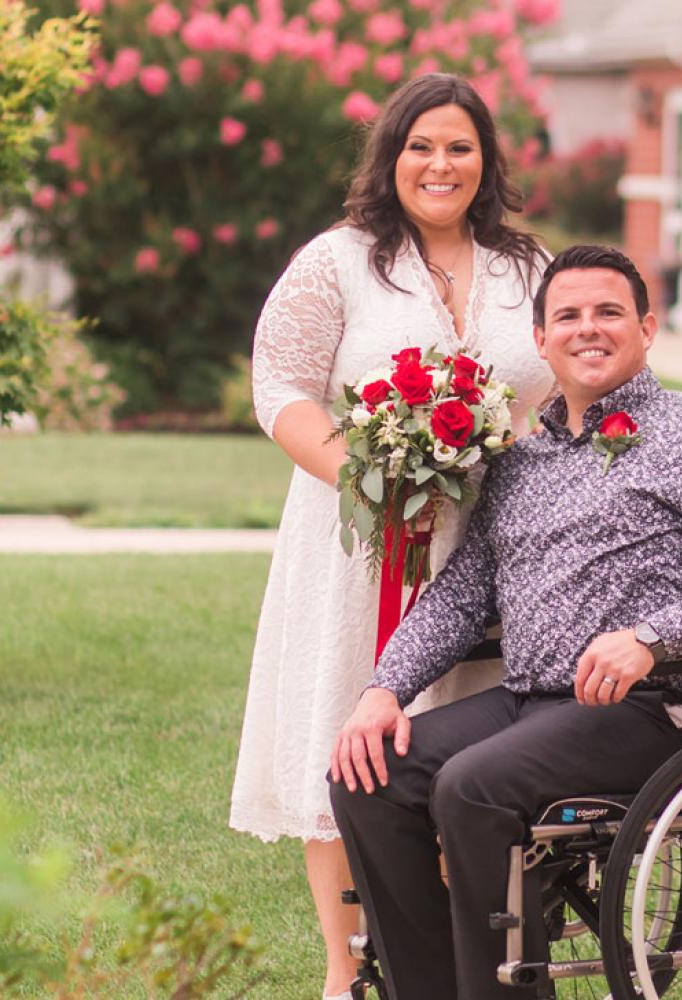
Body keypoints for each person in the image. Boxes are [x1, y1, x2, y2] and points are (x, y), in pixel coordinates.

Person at [329, 244, 682, 1000]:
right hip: (532, 702)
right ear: (541, 339)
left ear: (647, 329)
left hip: (659, 708)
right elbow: (462, 596)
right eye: (569, 316)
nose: (589, 329)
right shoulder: (521, 462)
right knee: (369, 774)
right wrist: (385, 687)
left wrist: (652, 639)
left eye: (609, 312)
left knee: (472, 785)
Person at [229, 74, 555, 1000]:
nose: (439, 164)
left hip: (494, 544)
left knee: (468, 746)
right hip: (359, 544)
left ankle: (453, 959)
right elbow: (280, 388)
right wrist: (375, 482)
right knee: (349, 732)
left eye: (459, 146)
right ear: (392, 157)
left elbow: (564, 387)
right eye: (421, 146)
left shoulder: (526, 268)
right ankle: (345, 970)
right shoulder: (339, 260)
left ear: (485, 159)